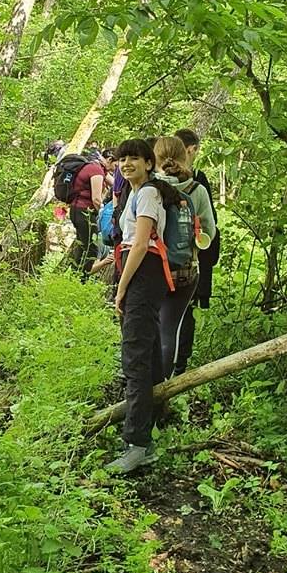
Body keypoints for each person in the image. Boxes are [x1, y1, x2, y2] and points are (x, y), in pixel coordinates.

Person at [106, 138, 182, 476]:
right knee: (147, 352)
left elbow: (140, 244)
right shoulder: (135, 193)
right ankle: (150, 430)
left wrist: (121, 288)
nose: (126, 164)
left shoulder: (149, 193)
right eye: (122, 159)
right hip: (141, 272)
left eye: (134, 158)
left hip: (143, 272)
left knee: (134, 357)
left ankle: (136, 444)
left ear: (149, 163)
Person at [153, 136, 216, 379]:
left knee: (150, 326)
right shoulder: (197, 190)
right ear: (185, 155)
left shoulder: (148, 187)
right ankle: (168, 381)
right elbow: (209, 231)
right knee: (171, 329)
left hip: (151, 267)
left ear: (154, 158)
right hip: (185, 270)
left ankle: (146, 382)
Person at [174, 127, 221, 373]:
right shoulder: (197, 182)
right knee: (185, 311)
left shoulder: (154, 180)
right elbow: (210, 227)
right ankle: (179, 366)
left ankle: (165, 366)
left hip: (159, 259)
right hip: (191, 259)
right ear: (192, 149)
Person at [45, 140, 105, 278]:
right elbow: (96, 199)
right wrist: (103, 214)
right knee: (91, 248)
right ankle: (81, 279)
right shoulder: (96, 169)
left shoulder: (84, 168)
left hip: (75, 210)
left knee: (82, 245)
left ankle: (73, 277)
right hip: (86, 212)